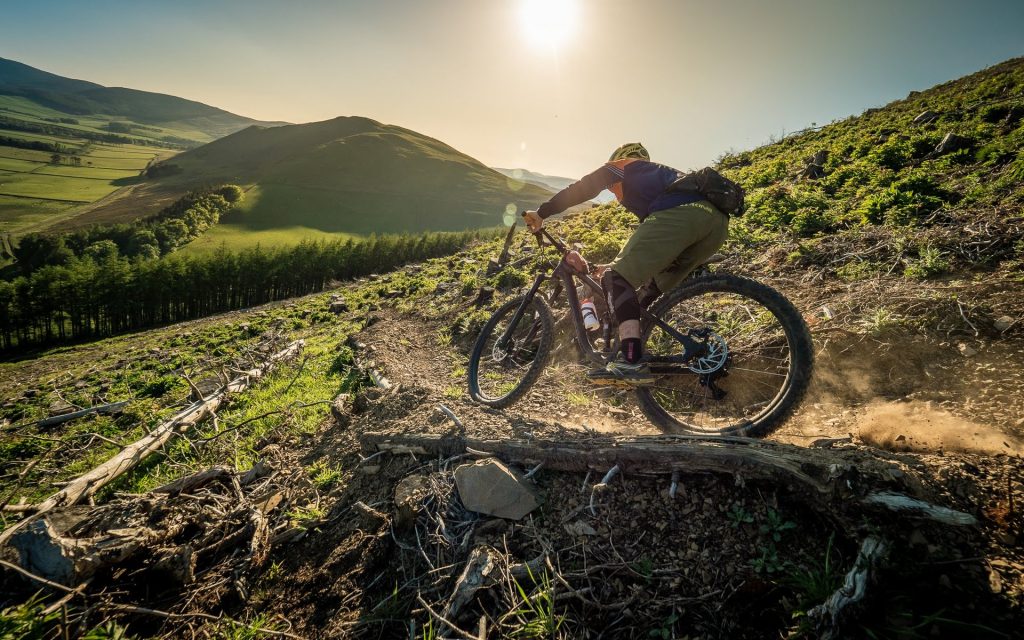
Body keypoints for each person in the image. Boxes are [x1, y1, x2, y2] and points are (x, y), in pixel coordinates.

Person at [523, 142, 730, 385]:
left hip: (683, 216)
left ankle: (632, 361)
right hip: (715, 226)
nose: (612, 192)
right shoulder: (658, 183)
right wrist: (615, 266)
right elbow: (652, 245)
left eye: (611, 189)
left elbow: (583, 188)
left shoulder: (622, 168)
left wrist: (543, 212)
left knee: (616, 279)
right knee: (643, 294)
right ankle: (634, 354)